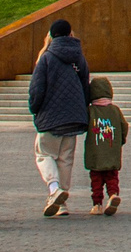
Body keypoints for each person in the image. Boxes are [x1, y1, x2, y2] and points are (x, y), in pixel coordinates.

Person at [27, 19, 90, 217]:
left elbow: (37, 88)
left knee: (44, 154)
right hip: (73, 116)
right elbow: (85, 85)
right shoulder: (78, 57)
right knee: (65, 159)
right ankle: (62, 203)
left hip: (51, 116)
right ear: (70, 34)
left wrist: (35, 108)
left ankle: (54, 189)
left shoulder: (46, 57)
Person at [84, 75, 128, 214]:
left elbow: (83, 125)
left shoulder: (90, 111)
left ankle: (97, 204)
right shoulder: (115, 110)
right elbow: (124, 126)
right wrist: (120, 141)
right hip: (112, 151)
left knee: (96, 179)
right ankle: (113, 194)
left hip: (95, 153)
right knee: (112, 176)